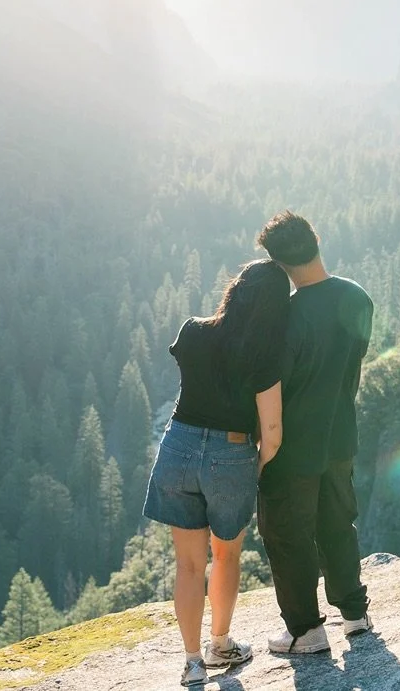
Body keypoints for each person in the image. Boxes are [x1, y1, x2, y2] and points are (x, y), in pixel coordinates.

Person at [143, 259, 289, 686]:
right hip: (231, 453)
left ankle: (192, 663)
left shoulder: (192, 331)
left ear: (235, 291)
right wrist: (254, 468)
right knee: (225, 555)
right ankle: (220, 644)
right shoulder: (264, 355)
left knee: (188, 565)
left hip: (179, 447)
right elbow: (273, 433)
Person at [253, 211, 374, 655]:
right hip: (340, 433)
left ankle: (305, 630)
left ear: (279, 266)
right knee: (338, 523)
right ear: (316, 241)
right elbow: (352, 365)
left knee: (288, 535)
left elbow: (273, 386)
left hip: (291, 444)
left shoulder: (287, 317)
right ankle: (355, 614)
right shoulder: (357, 298)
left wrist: (265, 448)